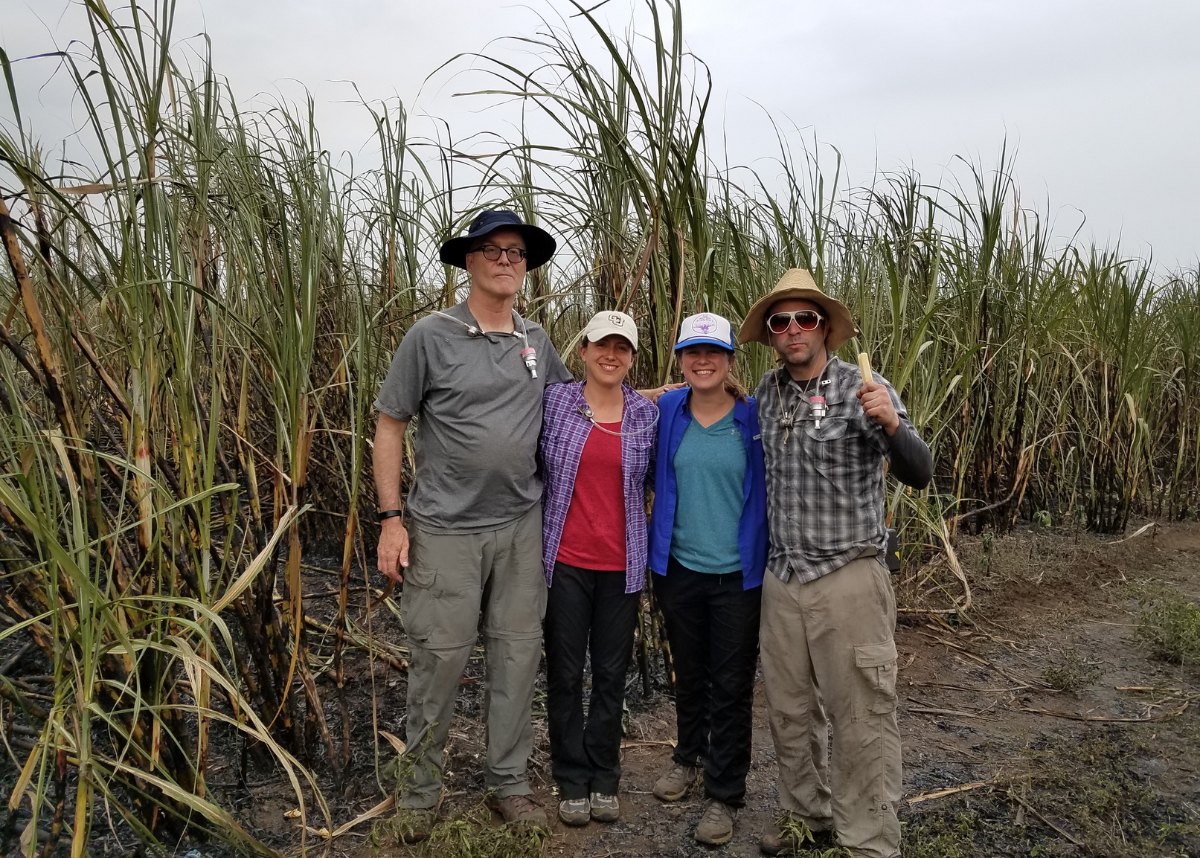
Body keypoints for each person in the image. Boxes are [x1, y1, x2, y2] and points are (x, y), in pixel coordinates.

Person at [372, 209, 572, 841]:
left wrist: (684, 396)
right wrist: (390, 519)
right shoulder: (430, 336)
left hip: (521, 525)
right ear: (468, 261)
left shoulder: (536, 341)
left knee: (516, 657)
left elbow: (583, 404)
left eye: (515, 250)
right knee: (438, 658)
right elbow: (390, 424)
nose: (505, 258)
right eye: (491, 249)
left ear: (527, 265)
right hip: (444, 529)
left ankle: (508, 783)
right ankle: (420, 792)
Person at [739, 269, 933, 858]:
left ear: (825, 328)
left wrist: (892, 423)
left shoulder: (864, 388)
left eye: (805, 319)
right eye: (781, 321)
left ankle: (868, 840)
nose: (793, 330)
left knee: (860, 713)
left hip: (848, 576)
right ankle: (809, 815)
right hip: (784, 577)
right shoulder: (768, 393)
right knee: (789, 711)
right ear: (771, 335)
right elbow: (706, 399)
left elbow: (920, 472)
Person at [647, 312, 768, 847]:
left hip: (737, 575)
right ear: (679, 361)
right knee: (689, 675)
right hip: (679, 569)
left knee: (732, 686)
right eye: (692, 352)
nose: (702, 361)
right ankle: (687, 757)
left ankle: (724, 794)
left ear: (729, 361)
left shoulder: (754, 419)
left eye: (713, 353)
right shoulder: (669, 409)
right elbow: (613, 399)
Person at [539, 311, 657, 827]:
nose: (611, 355)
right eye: (601, 345)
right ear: (582, 351)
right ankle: (570, 776)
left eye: (622, 348)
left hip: (621, 565)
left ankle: (604, 775)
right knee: (565, 673)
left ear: (631, 358)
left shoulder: (644, 416)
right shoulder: (555, 402)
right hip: (564, 561)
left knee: (611, 674)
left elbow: (652, 479)